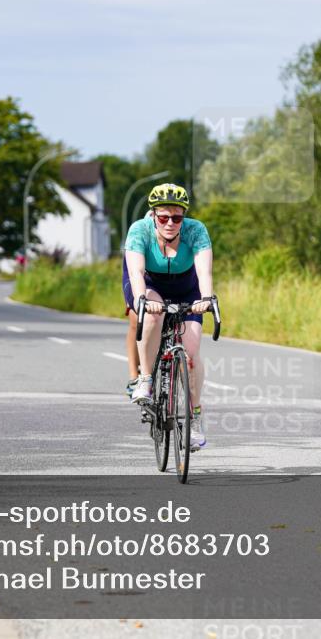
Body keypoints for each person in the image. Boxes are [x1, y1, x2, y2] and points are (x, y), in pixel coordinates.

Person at [123, 184, 214, 450]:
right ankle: (145, 379)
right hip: (149, 283)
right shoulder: (139, 230)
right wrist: (143, 300)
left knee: (192, 353)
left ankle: (194, 418)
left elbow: (204, 272)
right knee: (151, 317)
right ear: (153, 215)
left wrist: (206, 299)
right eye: (163, 217)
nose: (171, 223)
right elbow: (136, 273)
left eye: (177, 217)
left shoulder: (196, 231)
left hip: (186, 287)